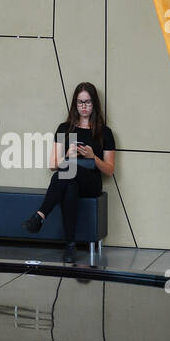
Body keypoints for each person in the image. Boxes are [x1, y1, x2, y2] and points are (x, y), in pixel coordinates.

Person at [22, 82, 116, 264]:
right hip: (70, 179)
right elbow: (52, 164)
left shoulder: (104, 132)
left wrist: (92, 156)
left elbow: (110, 170)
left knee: (67, 172)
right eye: (80, 102)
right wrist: (66, 155)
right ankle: (70, 246)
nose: (84, 106)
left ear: (94, 104)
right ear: (74, 104)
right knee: (69, 183)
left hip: (92, 182)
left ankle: (39, 216)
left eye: (88, 102)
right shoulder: (65, 129)